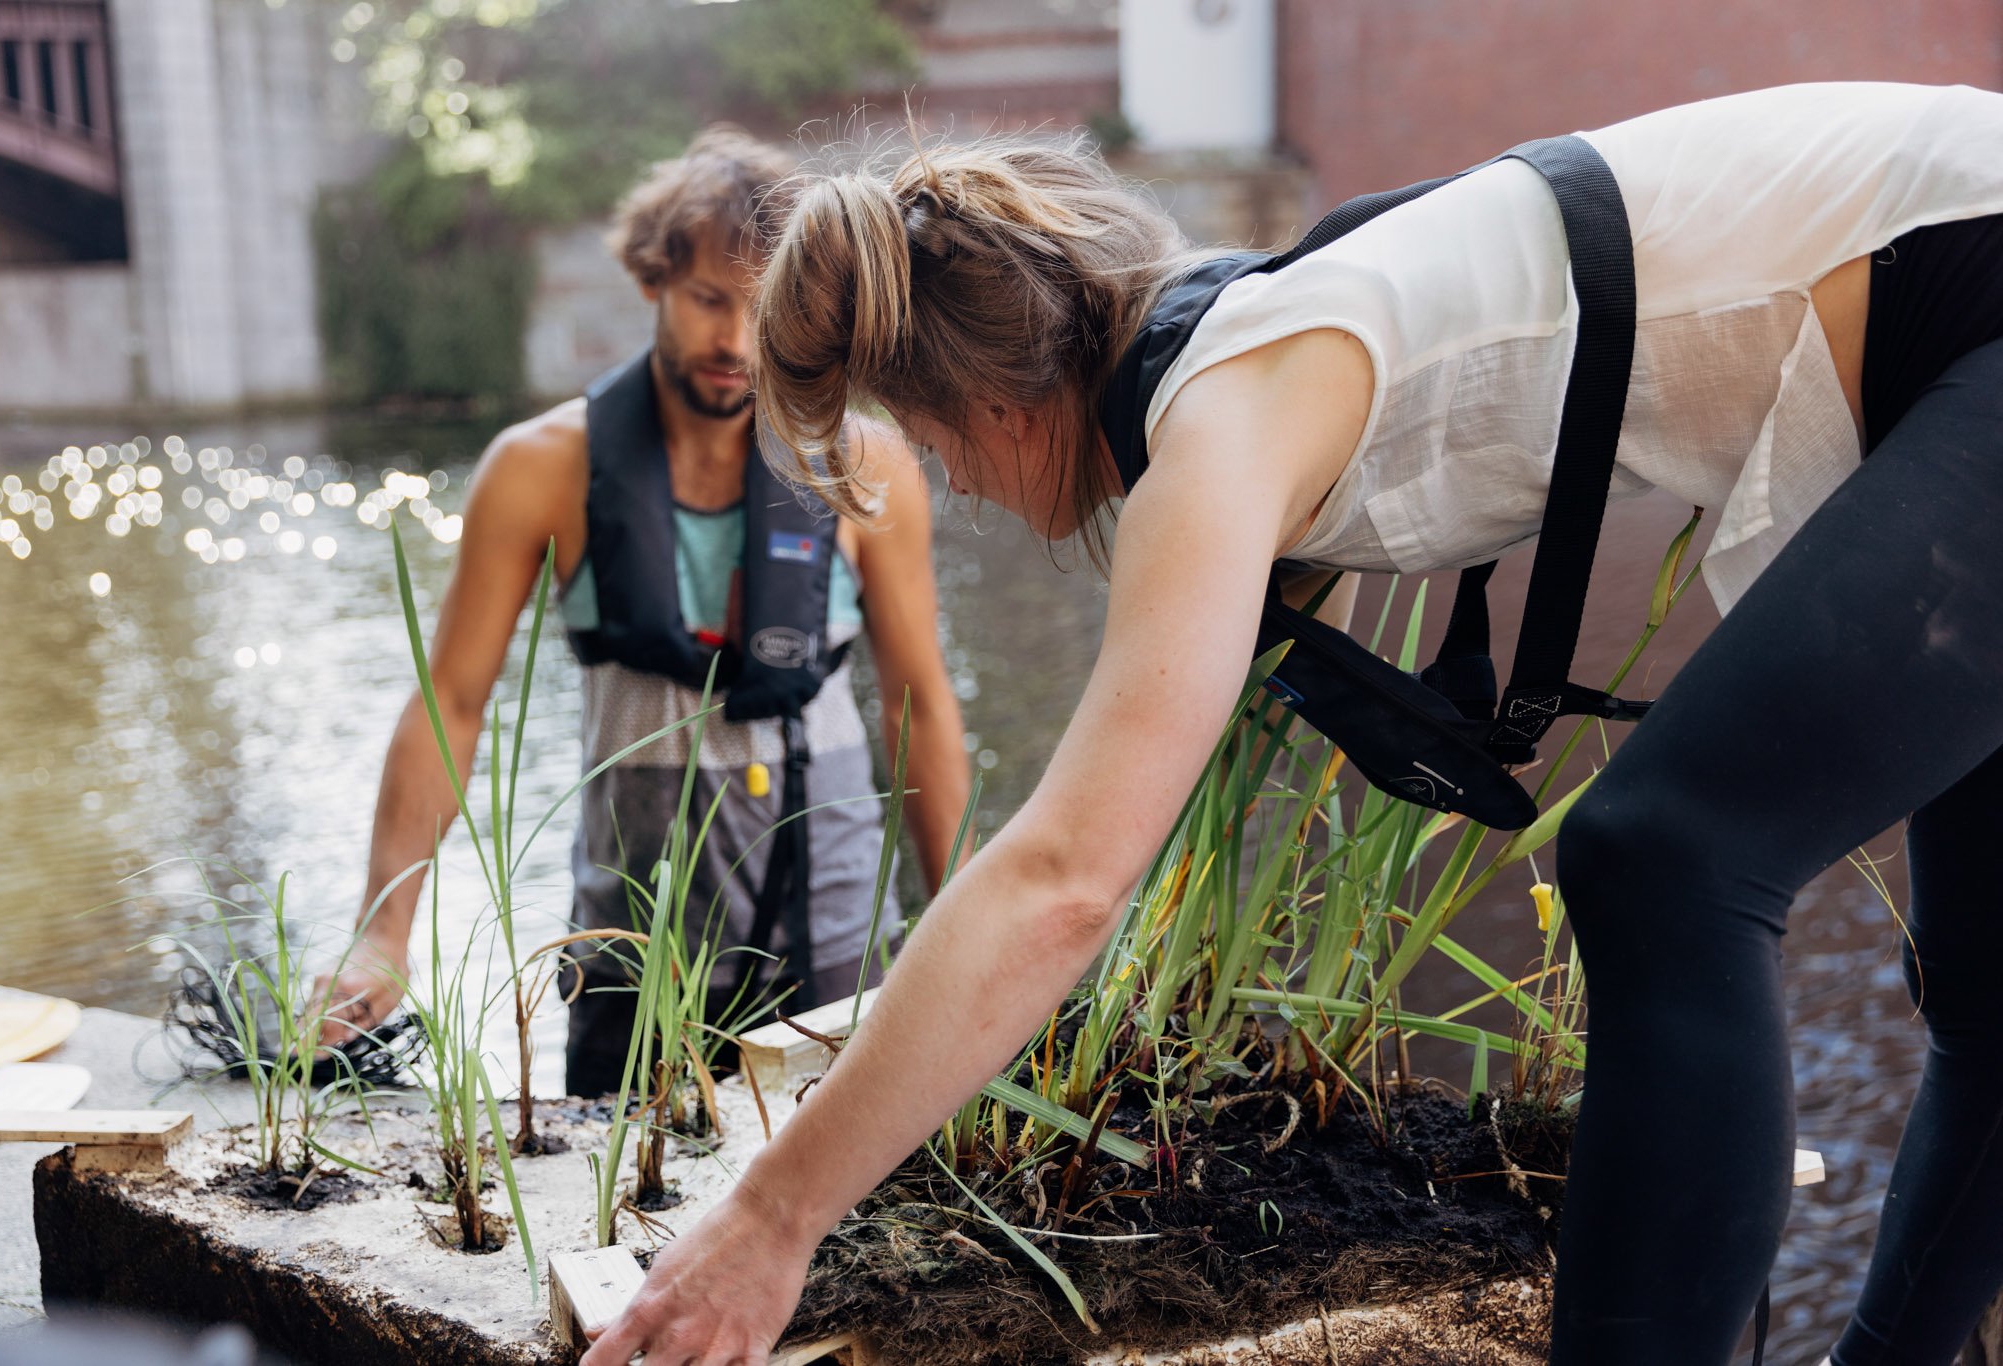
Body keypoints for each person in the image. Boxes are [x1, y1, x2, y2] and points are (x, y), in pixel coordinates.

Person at [578, 82, 2003, 1366]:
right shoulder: (1259, 326)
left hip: (1974, 283)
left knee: (1667, 855)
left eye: (935, 444)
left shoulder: (1228, 406)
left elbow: (1066, 879)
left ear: (992, 405)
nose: (955, 483)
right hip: (1950, 318)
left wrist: (773, 1215)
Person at [313, 127, 970, 1097]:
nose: (736, 342)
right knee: (618, 1215)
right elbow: (450, 703)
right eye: (709, 300)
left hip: (830, 920)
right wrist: (382, 930)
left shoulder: (863, 465)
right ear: (652, 281)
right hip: (633, 922)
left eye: (765, 307)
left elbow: (919, 702)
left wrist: (963, 922)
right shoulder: (538, 468)